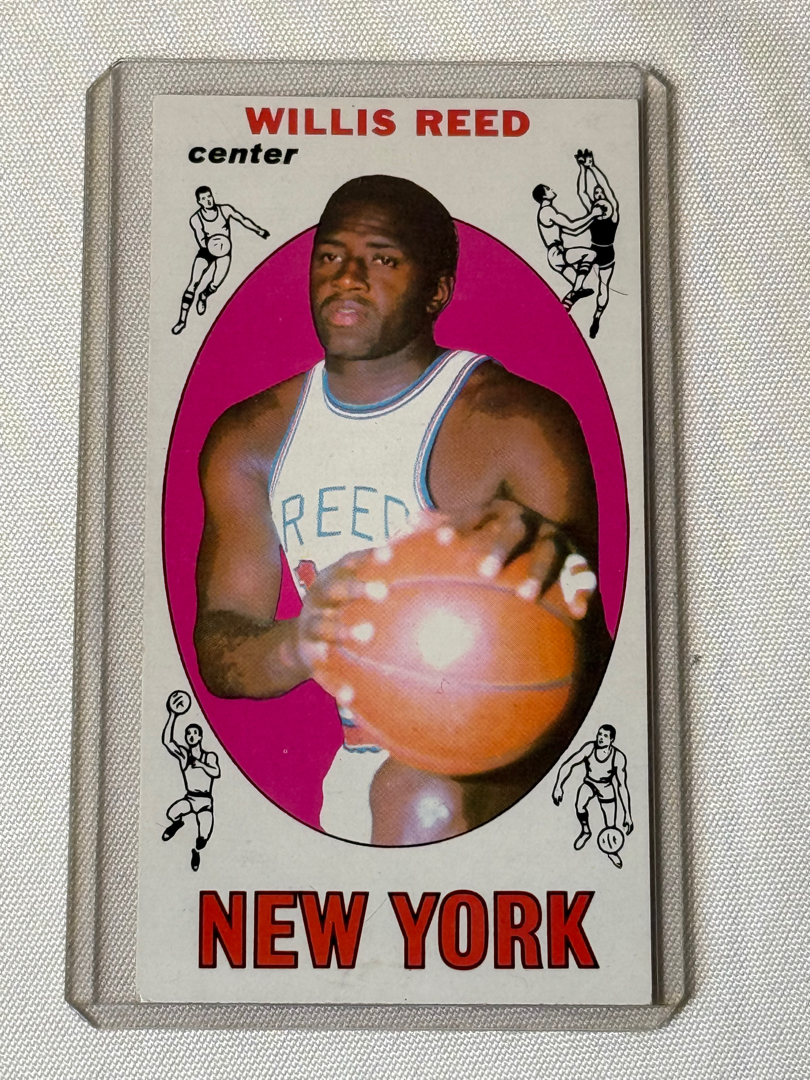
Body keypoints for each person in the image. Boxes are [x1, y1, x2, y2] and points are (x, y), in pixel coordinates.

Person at [193, 174, 612, 845]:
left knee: (415, 793)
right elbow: (221, 647)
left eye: (382, 259)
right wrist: (301, 641)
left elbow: (593, 673)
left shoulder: (518, 424)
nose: (348, 277)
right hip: (361, 783)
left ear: (436, 290)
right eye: (331, 256)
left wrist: (553, 559)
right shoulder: (251, 439)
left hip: (500, 783)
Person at [172, 186, 270, 335]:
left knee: (215, 284)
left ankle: (204, 295)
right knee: (193, 283)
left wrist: (258, 230)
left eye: (209, 196)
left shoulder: (225, 210)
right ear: (199, 202)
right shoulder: (196, 219)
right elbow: (201, 240)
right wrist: (213, 245)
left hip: (224, 252)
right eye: (204, 199)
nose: (208, 200)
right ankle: (182, 321)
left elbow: (242, 219)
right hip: (207, 251)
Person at [551, 724, 632, 867]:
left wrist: (627, 815)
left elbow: (622, 786)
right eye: (600, 734)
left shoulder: (618, 757)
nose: (601, 738)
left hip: (606, 787)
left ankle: (612, 852)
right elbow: (568, 764)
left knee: (610, 825)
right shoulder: (590, 748)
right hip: (590, 783)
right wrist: (558, 786)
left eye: (605, 736)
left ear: (611, 740)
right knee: (579, 805)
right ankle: (586, 831)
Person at [161, 712, 220, 871]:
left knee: (203, 837)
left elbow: (216, 772)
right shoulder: (184, 756)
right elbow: (167, 742)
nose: (191, 736)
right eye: (188, 734)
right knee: (171, 814)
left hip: (205, 802)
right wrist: (173, 715)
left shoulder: (209, 757)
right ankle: (178, 823)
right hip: (190, 798)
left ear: (200, 737)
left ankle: (196, 851)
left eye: (194, 733)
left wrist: (201, 765)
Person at [532, 183, 606, 310]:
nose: (552, 189)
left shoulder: (547, 211)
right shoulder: (547, 211)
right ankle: (576, 290)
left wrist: (593, 217)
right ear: (544, 196)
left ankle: (564, 307)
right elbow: (573, 226)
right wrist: (593, 214)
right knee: (590, 254)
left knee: (577, 290)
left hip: (555, 256)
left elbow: (575, 231)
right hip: (557, 253)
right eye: (548, 189)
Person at [574, 149, 620, 338]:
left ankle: (597, 316)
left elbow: (607, 189)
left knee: (603, 286)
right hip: (593, 250)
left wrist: (592, 167)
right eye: (596, 193)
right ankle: (575, 295)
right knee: (581, 272)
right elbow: (582, 192)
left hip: (607, 253)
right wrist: (582, 169)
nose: (599, 194)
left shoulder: (613, 214)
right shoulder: (593, 213)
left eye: (601, 194)